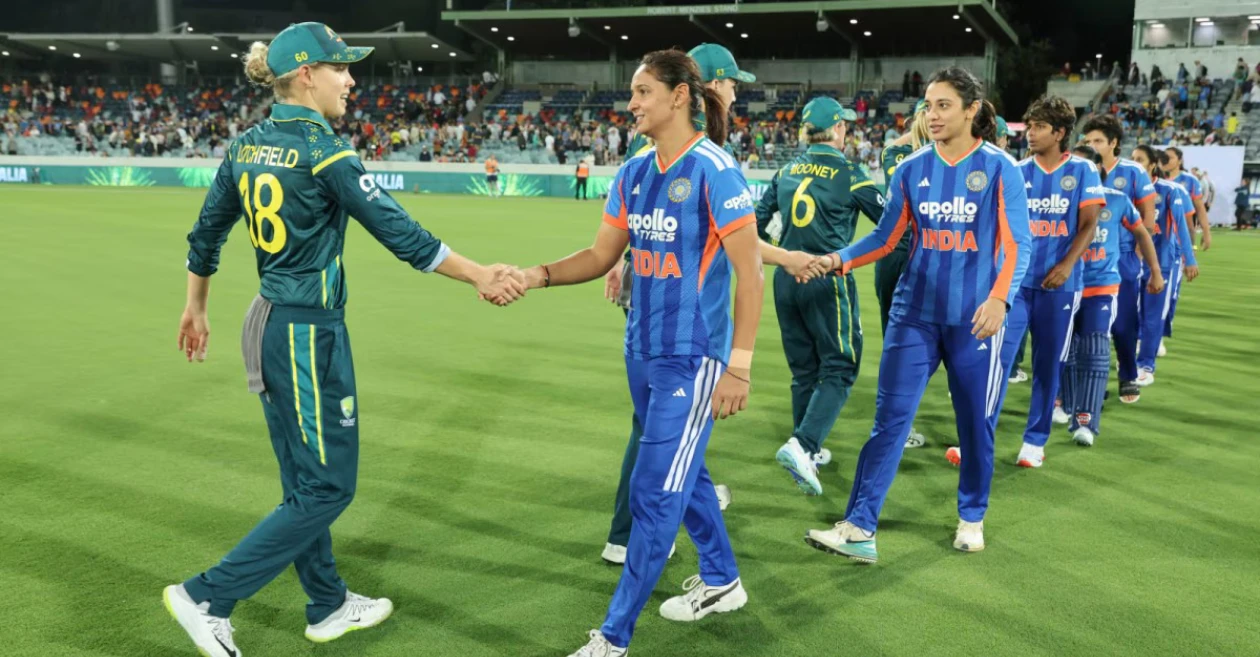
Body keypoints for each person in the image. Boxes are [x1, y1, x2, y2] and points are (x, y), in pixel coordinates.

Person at [163, 23, 524, 657]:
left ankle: (327, 603)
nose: (351, 80)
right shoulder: (324, 150)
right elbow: (399, 231)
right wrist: (479, 274)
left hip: (264, 321)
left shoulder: (245, 146)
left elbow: (206, 234)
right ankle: (208, 597)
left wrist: (196, 307)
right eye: (341, 68)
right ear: (307, 75)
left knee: (303, 482)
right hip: (307, 332)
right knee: (328, 487)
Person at [520, 49, 762, 657]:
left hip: (693, 356)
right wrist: (536, 274)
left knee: (654, 492)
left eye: (643, 91)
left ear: (679, 96)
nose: (631, 103)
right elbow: (602, 255)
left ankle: (613, 637)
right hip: (641, 348)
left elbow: (751, 273)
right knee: (688, 472)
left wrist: (739, 365)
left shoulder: (715, 170)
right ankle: (722, 579)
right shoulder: (633, 170)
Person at [802, 66, 1031, 562]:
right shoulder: (911, 169)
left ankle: (972, 516)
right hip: (914, 316)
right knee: (890, 421)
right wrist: (839, 259)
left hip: (975, 320)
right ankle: (860, 527)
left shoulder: (1000, 169)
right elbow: (885, 238)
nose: (933, 115)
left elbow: (1018, 245)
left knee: (974, 424)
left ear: (972, 110)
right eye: (929, 105)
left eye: (944, 105)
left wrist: (1000, 298)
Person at [599, 42, 755, 566]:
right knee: (656, 437)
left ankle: (708, 566)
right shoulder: (670, 153)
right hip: (671, 318)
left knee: (663, 434)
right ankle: (637, 536)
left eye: (642, 92)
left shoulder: (704, 156)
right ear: (700, 87)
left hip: (669, 313)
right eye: (730, 82)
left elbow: (719, 238)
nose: (734, 93)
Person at [753, 97, 886, 496]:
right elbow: (891, 224)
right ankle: (803, 444)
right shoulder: (850, 173)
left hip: (786, 278)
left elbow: (753, 225)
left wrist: (784, 251)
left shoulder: (786, 170)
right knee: (840, 367)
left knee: (804, 370)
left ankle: (804, 447)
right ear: (839, 129)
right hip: (827, 277)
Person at [989, 94, 1103, 470]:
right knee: (997, 360)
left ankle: (1034, 442)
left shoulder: (1083, 171)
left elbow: (1089, 224)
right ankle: (978, 436)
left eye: (1039, 127)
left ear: (1059, 133)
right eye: (1030, 126)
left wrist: (1068, 264)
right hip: (1015, 285)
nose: (1030, 133)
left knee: (1048, 364)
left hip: (1059, 287)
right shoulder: (1017, 170)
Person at [1060, 145, 1161, 447]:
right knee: (1065, 350)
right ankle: (1065, 403)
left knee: (1094, 347)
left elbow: (1142, 232)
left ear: (1097, 172)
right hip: (1063, 286)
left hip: (1100, 287)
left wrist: (1155, 271)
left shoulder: (1116, 200)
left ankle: (1086, 420)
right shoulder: (1058, 200)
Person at [1080, 114, 1160, 403]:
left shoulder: (1133, 171)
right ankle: (1093, 379)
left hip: (1123, 256)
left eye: (1098, 140)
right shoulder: (1079, 168)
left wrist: (1137, 255)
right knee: (1087, 325)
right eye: (1088, 140)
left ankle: (1127, 374)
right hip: (1085, 256)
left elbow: (1147, 215)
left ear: (1113, 142)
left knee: (1124, 323)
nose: (1092, 145)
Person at [876, 99, 931, 449]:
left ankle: (895, 425)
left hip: (891, 254)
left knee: (894, 343)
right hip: (923, 254)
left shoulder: (891, 152)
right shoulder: (934, 157)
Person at [1134, 148, 1200, 387]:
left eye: (1140, 160)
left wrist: (1189, 259)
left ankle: (1145, 365)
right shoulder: (1128, 189)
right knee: (1130, 315)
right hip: (1131, 264)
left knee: (1154, 316)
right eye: (1132, 159)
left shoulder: (1171, 190)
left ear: (1153, 164)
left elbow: (1182, 225)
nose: (1135, 164)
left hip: (1162, 264)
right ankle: (1130, 358)